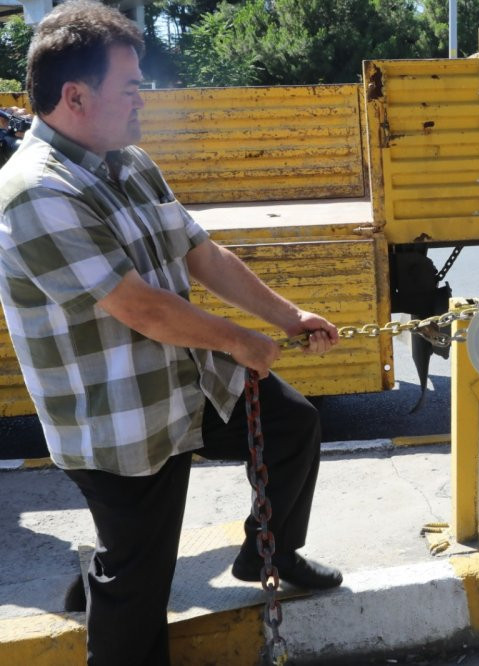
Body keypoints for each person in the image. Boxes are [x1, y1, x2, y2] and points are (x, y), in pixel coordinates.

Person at [0, 3, 343, 663]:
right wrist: (238, 341)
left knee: (293, 427)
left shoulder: (129, 162)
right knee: (137, 586)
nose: (143, 99)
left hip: (190, 387)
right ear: (75, 96)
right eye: (129, 87)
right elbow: (138, 306)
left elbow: (201, 253)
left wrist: (285, 317)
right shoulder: (34, 194)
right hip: (120, 421)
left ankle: (267, 552)